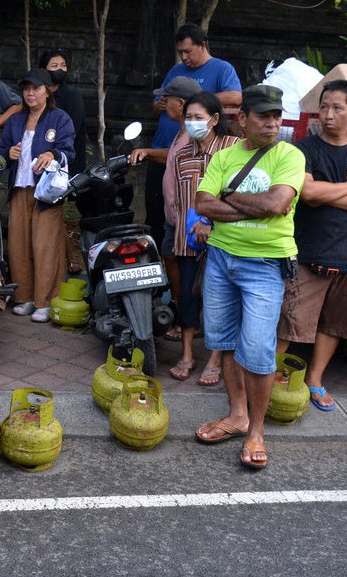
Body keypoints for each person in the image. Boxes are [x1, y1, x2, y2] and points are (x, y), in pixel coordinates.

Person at [193, 84, 304, 470]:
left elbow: (277, 203)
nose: (272, 123)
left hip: (265, 265)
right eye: (263, 116)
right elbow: (202, 203)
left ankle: (257, 430)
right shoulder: (224, 156)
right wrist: (255, 207)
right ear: (243, 119)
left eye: (277, 116)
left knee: (257, 351)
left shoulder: (289, 155)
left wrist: (229, 199)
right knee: (224, 341)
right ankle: (237, 415)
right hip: (221, 260)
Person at [275, 80, 347, 411]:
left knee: (336, 322)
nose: (329, 114)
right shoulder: (303, 149)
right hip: (308, 249)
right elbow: (308, 193)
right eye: (324, 107)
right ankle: (267, 376)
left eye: (337, 108)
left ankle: (315, 378)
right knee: (290, 320)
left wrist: (328, 193)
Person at [145, 23, 242, 249]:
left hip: (195, 152)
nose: (184, 57)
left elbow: (236, 97)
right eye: (180, 52)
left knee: (186, 210)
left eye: (188, 51)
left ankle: (183, 251)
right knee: (157, 210)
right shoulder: (176, 70)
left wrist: (197, 101)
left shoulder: (221, 68)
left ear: (202, 46)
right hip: (164, 146)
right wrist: (160, 104)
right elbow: (155, 106)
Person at [168, 91, 237, 385]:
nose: (192, 122)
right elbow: (180, 199)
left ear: (215, 119)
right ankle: (187, 354)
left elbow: (238, 193)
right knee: (187, 296)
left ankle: (215, 359)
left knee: (220, 299)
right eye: (189, 117)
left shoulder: (232, 148)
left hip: (224, 238)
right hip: (188, 240)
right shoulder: (182, 154)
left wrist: (210, 222)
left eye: (198, 117)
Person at [0, 69, 75, 323]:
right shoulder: (15, 120)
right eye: (26, 89)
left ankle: (46, 301)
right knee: (18, 245)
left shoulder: (59, 118)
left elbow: (68, 150)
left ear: (47, 91)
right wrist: (8, 153)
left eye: (36, 88)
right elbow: (1, 152)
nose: (30, 93)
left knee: (45, 246)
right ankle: (25, 298)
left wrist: (53, 154)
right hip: (20, 189)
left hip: (46, 193)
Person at [130, 76, 202, 344]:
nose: (163, 103)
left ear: (180, 103)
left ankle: (189, 323)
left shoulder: (195, 136)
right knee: (170, 258)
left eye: (167, 99)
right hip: (174, 217)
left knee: (187, 271)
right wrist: (149, 152)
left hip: (188, 218)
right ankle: (180, 311)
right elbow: (170, 156)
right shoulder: (180, 131)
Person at [40, 47, 86, 275]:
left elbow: (70, 134)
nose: (60, 70)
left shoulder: (71, 96)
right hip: (40, 162)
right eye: (54, 66)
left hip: (65, 163)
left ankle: (70, 257)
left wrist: (53, 154)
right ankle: (67, 257)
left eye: (63, 66)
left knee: (54, 209)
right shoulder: (38, 94)